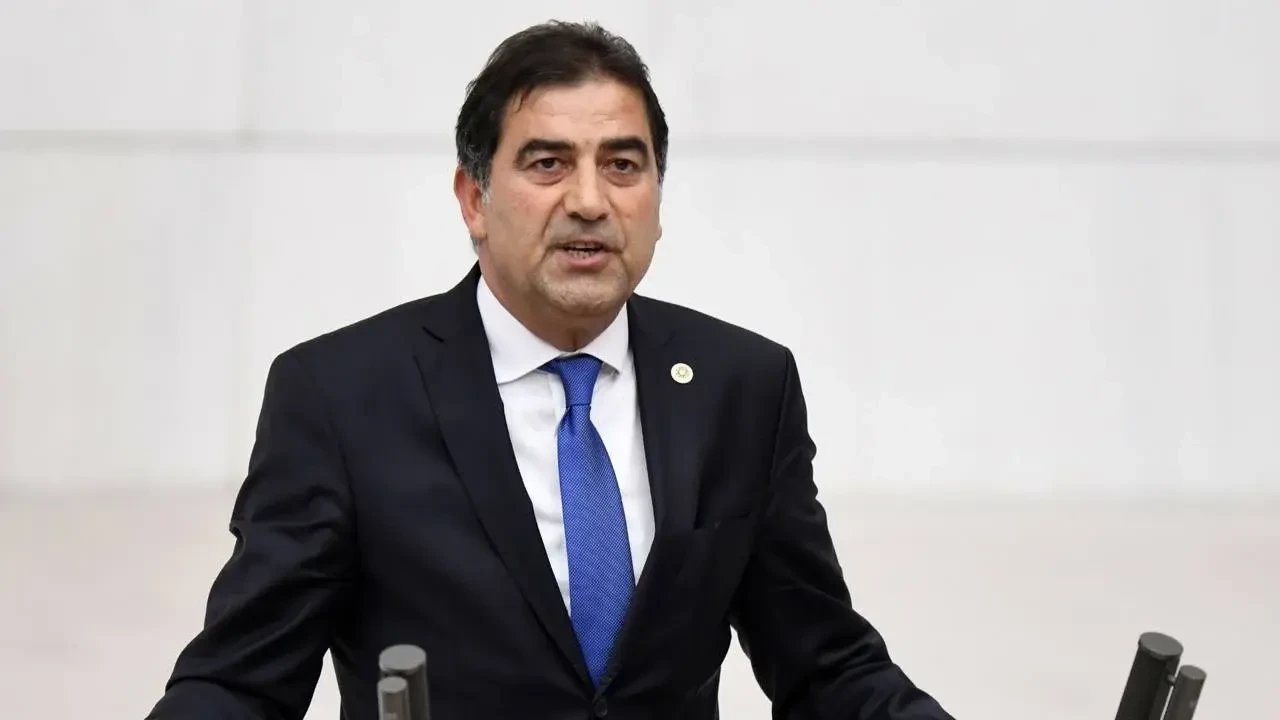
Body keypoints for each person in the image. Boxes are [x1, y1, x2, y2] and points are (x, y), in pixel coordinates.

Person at [146, 20, 954, 720]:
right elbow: (241, 684)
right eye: (547, 164)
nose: (590, 201)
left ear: (658, 200)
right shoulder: (341, 397)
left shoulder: (741, 386)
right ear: (474, 199)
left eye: (623, 165)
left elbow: (826, 667)